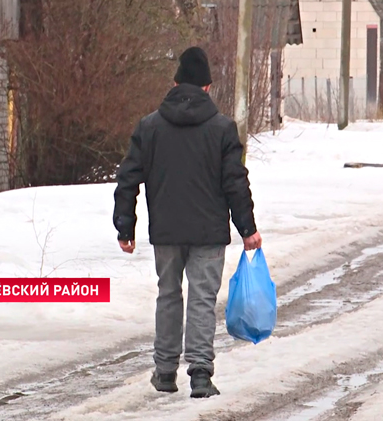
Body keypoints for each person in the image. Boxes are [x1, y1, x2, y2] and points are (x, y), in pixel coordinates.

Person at [113, 46, 262, 399]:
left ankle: (165, 372)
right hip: (209, 233)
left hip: (165, 231)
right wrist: (247, 228)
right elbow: (235, 182)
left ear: (175, 82)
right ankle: (199, 374)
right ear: (207, 87)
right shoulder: (223, 128)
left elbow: (128, 178)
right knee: (201, 300)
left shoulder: (149, 127)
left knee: (168, 296)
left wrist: (125, 226)